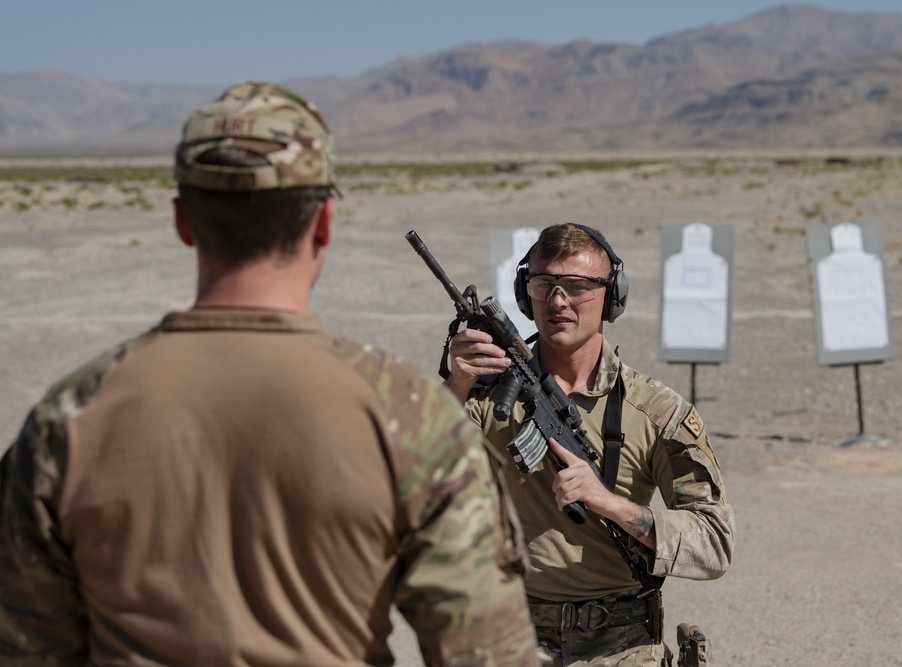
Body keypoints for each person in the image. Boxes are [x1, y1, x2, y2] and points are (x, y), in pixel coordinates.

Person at [0, 81, 538, 667]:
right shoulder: (409, 415)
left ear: (183, 221)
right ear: (324, 223)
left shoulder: (70, 418)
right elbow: (484, 656)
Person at [443, 223, 736, 666]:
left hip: (622, 645)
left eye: (577, 286)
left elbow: (714, 545)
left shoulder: (656, 412)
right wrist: (457, 384)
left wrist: (611, 504)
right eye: (544, 285)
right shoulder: (487, 397)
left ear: (611, 295)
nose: (558, 300)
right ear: (526, 296)